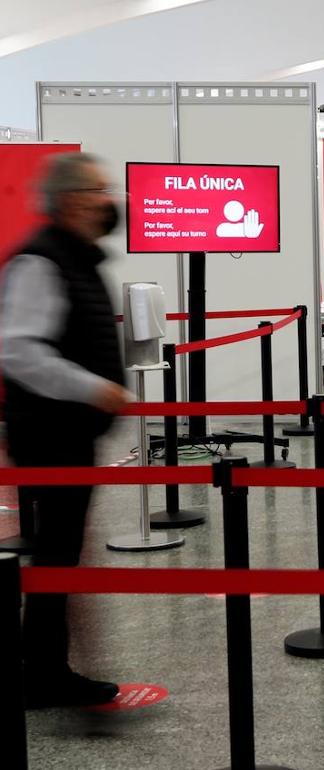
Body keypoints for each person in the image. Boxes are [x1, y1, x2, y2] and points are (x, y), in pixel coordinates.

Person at [0, 152, 132, 708]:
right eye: (99, 191)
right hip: (48, 433)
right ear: (72, 199)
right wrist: (91, 388)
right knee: (55, 556)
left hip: (69, 433)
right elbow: (17, 348)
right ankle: (44, 673)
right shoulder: (41, 261)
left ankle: (43, 666)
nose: (109, 202)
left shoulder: (77, 258)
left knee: (61, 554)